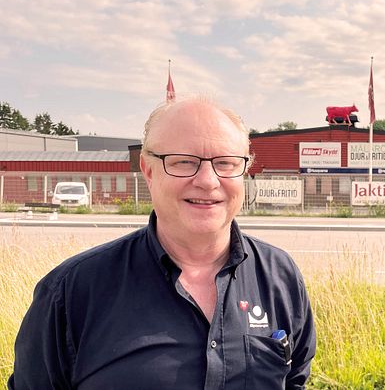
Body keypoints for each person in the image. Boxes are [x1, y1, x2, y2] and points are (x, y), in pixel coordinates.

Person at [9, 97, 316, 389]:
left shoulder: (280, 276)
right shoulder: (72, 293)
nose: (208, 181)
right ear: (148, 169)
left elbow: (294, 380)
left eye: (225, 163)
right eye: (184, 162)